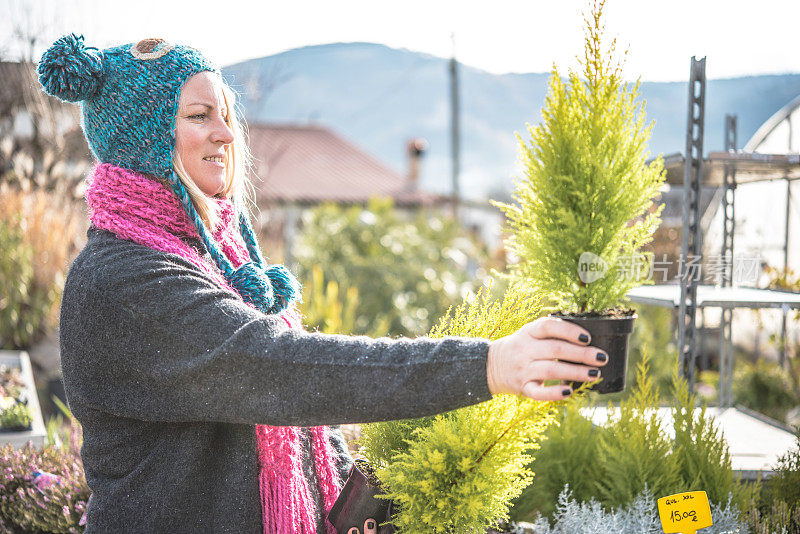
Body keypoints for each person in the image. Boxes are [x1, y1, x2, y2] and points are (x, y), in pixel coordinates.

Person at [39, 34, 608, 534]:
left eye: (226, 115)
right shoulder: (126, 279)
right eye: (198, 116)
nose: (227, 135)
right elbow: (280, 369)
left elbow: (290, 404)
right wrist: (490, 365)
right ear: (145, 141)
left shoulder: (210, 257)